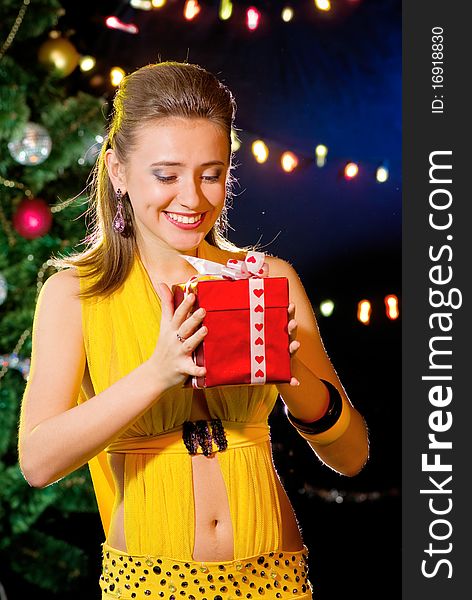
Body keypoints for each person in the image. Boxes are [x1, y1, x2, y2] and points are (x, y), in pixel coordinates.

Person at [18, 61, 369, 600]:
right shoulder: (74, 296)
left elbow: (352, 456)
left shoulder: (268, 279)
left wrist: (286, 367)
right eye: (166, 175)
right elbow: (38, 463)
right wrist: (157, 373)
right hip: (149, 583)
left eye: (212, 173)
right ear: (117, 170)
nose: (193, 198)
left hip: (273, 575)